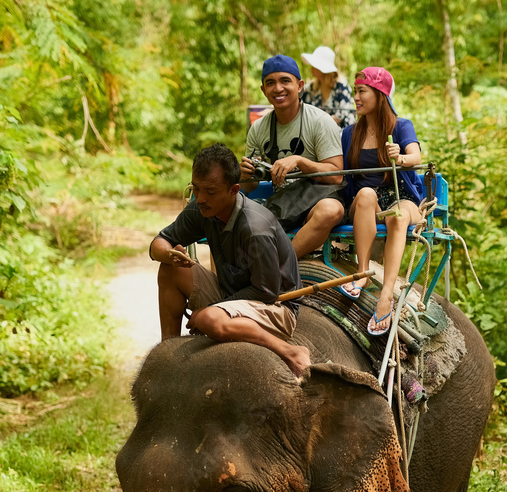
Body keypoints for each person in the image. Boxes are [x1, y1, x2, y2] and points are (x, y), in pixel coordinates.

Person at [151, 143, 310, 377]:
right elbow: (159, 241)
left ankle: (290, 352)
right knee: (169, 270)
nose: (201, 198)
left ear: (234, 190)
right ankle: (169, 355)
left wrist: (211, 310)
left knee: (208, 319)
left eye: (210, 192)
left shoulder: (255, 228)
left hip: (274, 305)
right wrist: (169, 254)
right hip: (231, 296)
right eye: (196, 189)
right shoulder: (202, 208)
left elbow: (265, 291)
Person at [340, 67, 424, 336]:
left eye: (361, 91)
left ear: (380, 94)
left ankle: (386, 295)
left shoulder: (400, 126)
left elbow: (416, 158)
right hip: (367, 204)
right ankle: (362, 272)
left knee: (396, 216)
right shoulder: (349, 134)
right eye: (355, 91)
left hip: (401, 197)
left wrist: (399, 157)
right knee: (365, 194)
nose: (356, 97)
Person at [240, 55, 345, 259]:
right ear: (263, 90)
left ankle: (281, 266)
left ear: (299, 86)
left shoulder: (320, 122)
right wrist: (246, 175)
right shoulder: (258, 128)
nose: (278, 88)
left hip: (317, 200)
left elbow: (336, 176)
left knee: (332, 210)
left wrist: (299, 161)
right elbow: (249, 186)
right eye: (270, 83)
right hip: (282, 206)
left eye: (285, 81)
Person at [301, 45, 356, 128]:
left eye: (315, 66)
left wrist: (320, 123)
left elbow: (341, 115)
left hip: (339, 133)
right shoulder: (311, 88)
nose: (311, 68)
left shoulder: (341, 88)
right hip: (315, 132)